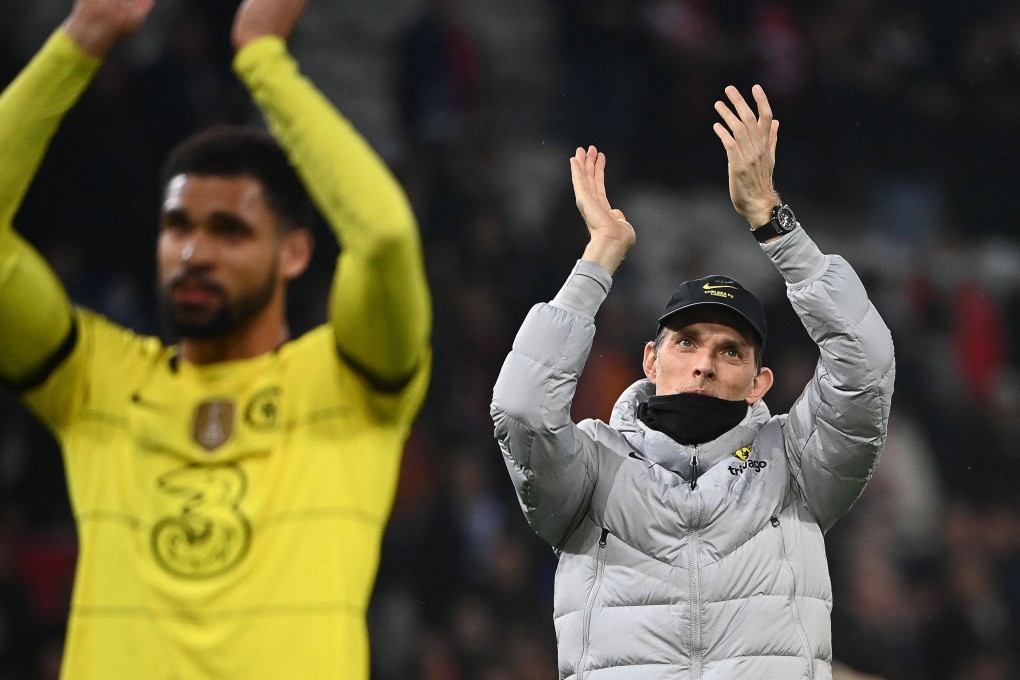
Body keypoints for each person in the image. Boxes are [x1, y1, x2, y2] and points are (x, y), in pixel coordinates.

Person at [0, 0, 431, 677]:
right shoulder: (95, 382)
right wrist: (80, 40)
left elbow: (384, 238)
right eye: (179, 226)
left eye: (229, 230)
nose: (194, 252)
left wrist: (264, 61)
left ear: (293, 254)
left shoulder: (347, 383)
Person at [491, 85, 895, 679]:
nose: (704, 364)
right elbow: (522, 409)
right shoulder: (590, 469)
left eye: (729, 351)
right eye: (687, 343)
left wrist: (771, 219)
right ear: (651, 361)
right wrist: (597, 260)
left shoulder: (800, 465)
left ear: (760, 383)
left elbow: (866, 365)